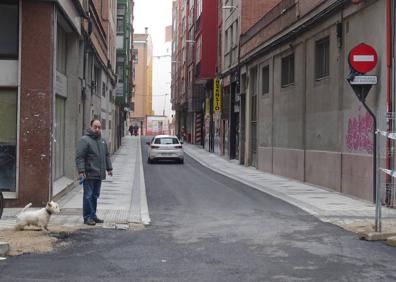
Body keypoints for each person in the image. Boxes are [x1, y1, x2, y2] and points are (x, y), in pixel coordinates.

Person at [75, 119, 113, 226]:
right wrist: (81, 171)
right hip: (89, 174)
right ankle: (87, 217)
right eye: (95, 127)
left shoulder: (102, 141)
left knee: (95, 196)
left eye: (99, 127)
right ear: (91, 127)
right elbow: (80, 157)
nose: (97, 129)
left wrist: (109, 168)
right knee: (88, 196)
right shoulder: (85, 140)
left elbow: (106, 155)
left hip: (98, 174)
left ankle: (93, 215)